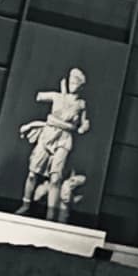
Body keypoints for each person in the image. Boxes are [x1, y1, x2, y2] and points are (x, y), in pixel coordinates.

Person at [19, 69, 90, 222]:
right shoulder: (57, 97)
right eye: (71, 82)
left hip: (64, 139)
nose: (73, 85)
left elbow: (83, 122)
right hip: (48, 135)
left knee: (55, 178)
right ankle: (26, 204)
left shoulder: (81, 104)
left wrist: (84, 126)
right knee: (32, 173)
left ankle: (50, 216)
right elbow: (39, 96)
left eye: (76, 83)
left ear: (81, 87)